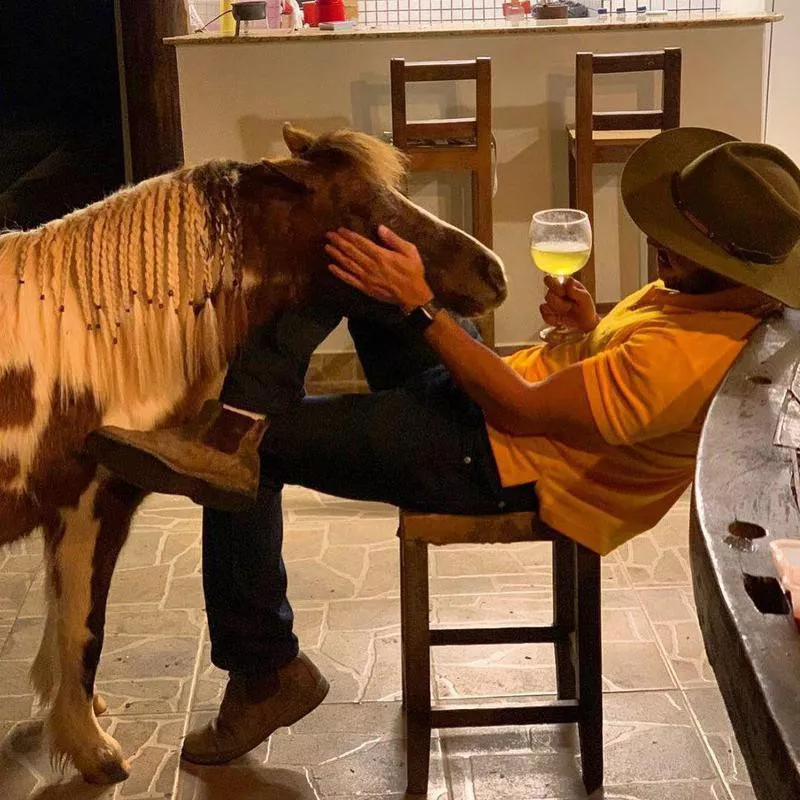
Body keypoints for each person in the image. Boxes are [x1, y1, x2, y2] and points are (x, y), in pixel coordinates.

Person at [87, 128, 800, 764]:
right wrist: (589, 327)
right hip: (489, 416)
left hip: (494, 463)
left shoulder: (685, 359)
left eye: (680, 240)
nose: (659, 244)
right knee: (354, 259)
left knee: (247, 457)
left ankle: (264, 671)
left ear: (731, 261)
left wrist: (421, 305)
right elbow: (618, 359)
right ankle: (238, 419)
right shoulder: (714, 294)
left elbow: (520, 411)